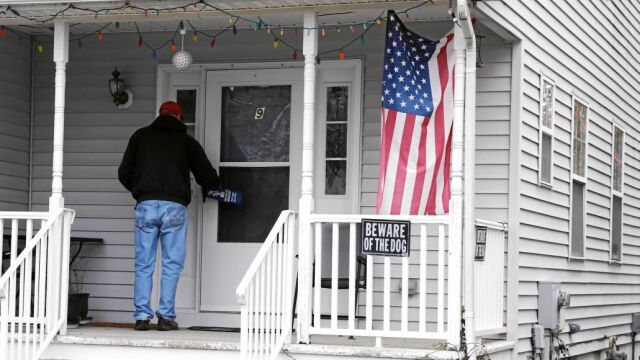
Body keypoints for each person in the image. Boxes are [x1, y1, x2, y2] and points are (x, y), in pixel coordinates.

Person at [118, 101, 220, 331]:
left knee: (144, 264)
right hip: (174, 206)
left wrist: (141, 190)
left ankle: (142, 317)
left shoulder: (140, 137)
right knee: (171, 264)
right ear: (179, 117)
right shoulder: (186, 141)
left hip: (146, 205)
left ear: (160, 115)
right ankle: (165, 317)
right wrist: (216, 185)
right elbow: (207, 175)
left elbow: (124, 172)